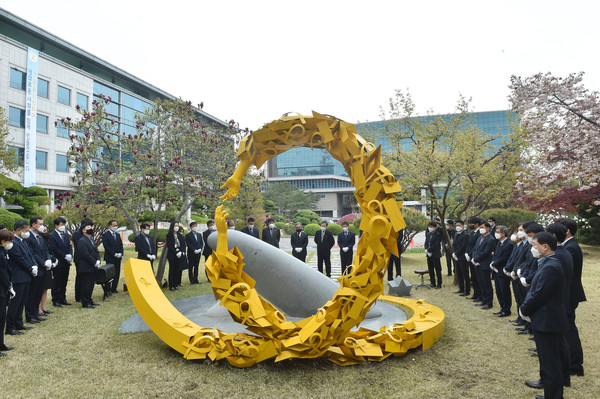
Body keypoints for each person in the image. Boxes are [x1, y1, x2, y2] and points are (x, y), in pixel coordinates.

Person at [520, 232, 568, 399]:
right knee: (548, 362)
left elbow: (539, 294)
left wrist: (524, 309)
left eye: (535, 245)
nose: (533, 248)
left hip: (548, 321)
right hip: (546, 319)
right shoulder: (547, 263)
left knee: (550, 364)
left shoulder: (551, 266)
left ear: (545, 247)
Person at [558, 217, 586, 377]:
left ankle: (575, 364)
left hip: (569, 293)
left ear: (566, 231)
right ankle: (569, 360)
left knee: (569, 328)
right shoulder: (568, 246)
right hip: (567, 292)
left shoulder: (572, 248)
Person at [6, 221, 35, 335]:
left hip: (26, 275)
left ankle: (19, 323)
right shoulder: (13, 242)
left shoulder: (23, 241)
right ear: (19, 230)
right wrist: (30, 268)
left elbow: (29, 255)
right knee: (15, 303)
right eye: (26, 231)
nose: (27, 233)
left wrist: (33, 265)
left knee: (22, 301)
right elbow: (19, 258)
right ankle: (10, 327)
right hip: (18, 276)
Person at [25, 216, 51, 323]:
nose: (42, 226)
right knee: (32, 293)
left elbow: (46, 250)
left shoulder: (40, 237)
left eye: (42, 224)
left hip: (43, 269)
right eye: (40, 224)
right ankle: (30, 315)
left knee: (39, 292)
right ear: (33, 225)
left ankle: (36, 313)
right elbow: (32, 253)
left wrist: (49, 260)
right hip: (36, 268)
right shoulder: (28, 237)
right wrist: (42, 262)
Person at [490, 226, 513, 317]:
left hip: (503, 271)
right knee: (499, 291)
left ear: (503, 233)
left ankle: (507, 310)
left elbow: (505, 258)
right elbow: (496, 255)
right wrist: (493, 262)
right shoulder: (499, 243)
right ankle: (502, 308)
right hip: (496, 271)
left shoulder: (509, 244)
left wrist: (495, 263)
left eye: (498, 232)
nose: (496, 233)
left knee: (505, 291)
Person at [48, 217, 72, 307]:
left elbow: (69, 246)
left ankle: (63, 298)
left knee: (64, 281)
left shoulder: (65, 234)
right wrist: (64, 255)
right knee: (57, 281)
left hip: (66, 262)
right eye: (61, 225)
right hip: (58, 261)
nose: (63, 227)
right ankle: (55, 299)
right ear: (56, 225)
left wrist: (70, 254)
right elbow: (54, 249)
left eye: (64, 225)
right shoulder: (52, 236)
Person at [472, 222, 496, 309]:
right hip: (477, 264)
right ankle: (483, 299)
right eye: (480, 227)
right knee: (481, 283)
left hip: (485, 264)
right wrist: (474, 258)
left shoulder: (490, 239)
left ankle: (489, 302)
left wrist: (476, 259)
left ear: (487, 228)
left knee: (487, 284)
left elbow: (486, 252)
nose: (481, 229)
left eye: (482, 227)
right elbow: (475, 249)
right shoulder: (479, 237)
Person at [77, 224, 100, 309]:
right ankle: (85, 302)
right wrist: (94, 262)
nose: (90, 229)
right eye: (88, 228)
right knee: (85, 285)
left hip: (93, 266)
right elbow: (85, 254)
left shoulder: (91, 239)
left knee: (91, 284)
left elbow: (96, 251)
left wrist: (98, 259)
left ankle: (89, 300)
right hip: (86, 266)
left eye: (91, 227)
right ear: (83, 230)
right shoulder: (82, 241)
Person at [0, 229, 15, 353]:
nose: (10, 244)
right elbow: (2, 273)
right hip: (1, 288)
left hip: (4, 289)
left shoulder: (3, 252)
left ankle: (1, 343)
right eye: (9, 241)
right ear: (3, 241)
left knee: (2, 317)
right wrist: (9, 286)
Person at [72, 218, 93, 303]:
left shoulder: (89, 235)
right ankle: (78, 296)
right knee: (80, 278)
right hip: (80, 259)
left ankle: (85, 295)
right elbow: (80, 248)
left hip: (88, 259)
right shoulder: (77, 234)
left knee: (87, 279)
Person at [101, 220, 123, 293]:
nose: (115, 227)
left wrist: (120, 253)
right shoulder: (105, 235)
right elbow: (106, 246)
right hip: (110, 257)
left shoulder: (117, 235)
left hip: (118, 257)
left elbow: (121, 245)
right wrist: (114, 254)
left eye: (116, 225)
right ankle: (108, 288)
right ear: (109, 226)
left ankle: (114, 288)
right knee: (110, 273)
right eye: (114, 226)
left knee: (117, 273)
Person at [166, 221, 187, 291]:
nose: (177, 227)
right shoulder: (169, 235)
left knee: (177, 270)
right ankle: (171, 285)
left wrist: (181, 252)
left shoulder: (180, 236)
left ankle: (176, 284)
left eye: (177, 225)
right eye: (175, 226)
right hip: (172, 255)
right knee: (172, 270)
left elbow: (183, 245)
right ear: (172, 227)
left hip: (179, 255)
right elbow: (170, 246)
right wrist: (176, 252)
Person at [451, 220, 470, 296]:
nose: (458, 227)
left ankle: (467, 290)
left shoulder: (465, 235)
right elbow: (454, 245)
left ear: (463, 226)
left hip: (462, 257)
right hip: (457, 257)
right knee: (459, 273)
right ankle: (461, 288)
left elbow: (463, 246)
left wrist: (456, 253)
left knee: (465, 274)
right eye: (457, 226)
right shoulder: (456, 234)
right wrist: (453, 253)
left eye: (459, 225)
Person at [424, 221, 443, 289]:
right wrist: (426, 249)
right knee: (430, 269)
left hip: (435, 254)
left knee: (437, 269)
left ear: (435, 227)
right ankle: (433, 282)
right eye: (429, 227)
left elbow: (436, 245)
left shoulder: (438, 234)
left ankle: (439, 283)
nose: (430, 228)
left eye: (431, 227)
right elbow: (426, 242)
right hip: (429, 255)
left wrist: (429, 250)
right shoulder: (428, 234)